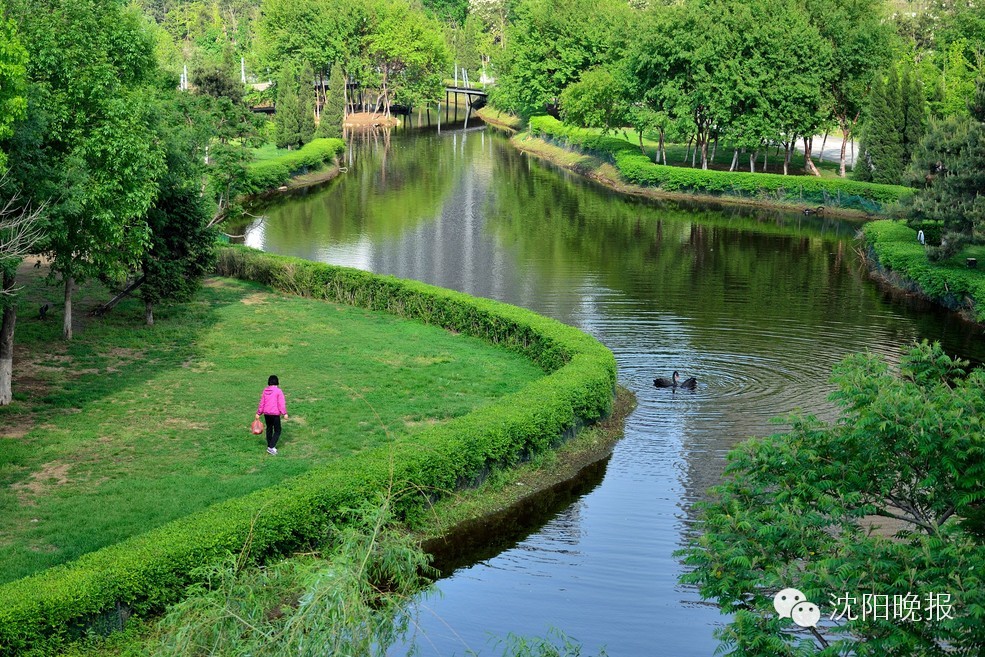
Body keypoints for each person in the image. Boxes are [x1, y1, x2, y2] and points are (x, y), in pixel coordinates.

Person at [256, 375, 288, 455]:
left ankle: (270, 446)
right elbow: (281, 403)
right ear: (277, 382)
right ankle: (271, 447)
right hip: (275, 414)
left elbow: (262, 403)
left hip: (267, 414)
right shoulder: (278, 391)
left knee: (269, 428)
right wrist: (284, 413)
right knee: (278, 430)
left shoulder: (265, 391)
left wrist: (258, 413)